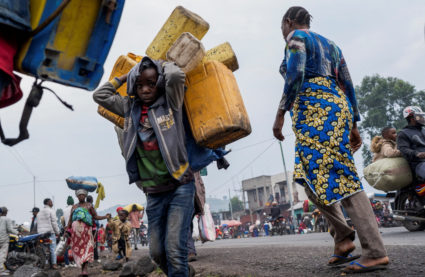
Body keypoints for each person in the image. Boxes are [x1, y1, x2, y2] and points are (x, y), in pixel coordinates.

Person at [273, 6, 389, 273]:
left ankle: (374, 250)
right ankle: (343, 238)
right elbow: (347, 83)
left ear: (288, 22)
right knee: (306, 175)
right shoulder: (332, 45)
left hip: (317, 111)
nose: (282, 33)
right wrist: (353, 122)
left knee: (342, 174)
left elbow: (295, 74)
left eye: (282, 27)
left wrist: (279, 114)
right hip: (332, 109)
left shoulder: (297, 38)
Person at [93, 56, 195, 276]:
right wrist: (126, 76)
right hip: (154, 193)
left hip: (180, 186)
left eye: (151, 83)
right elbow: (99, 95)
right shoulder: (129, 108)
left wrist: (162, 64)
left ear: (159, 82)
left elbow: (176, 75)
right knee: (157, 253)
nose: (145, 89)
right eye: (139, 85)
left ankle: (181, 271)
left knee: (175, 250)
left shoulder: (171, 102)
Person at [66, 189, 109, 277]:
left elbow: (95, 216)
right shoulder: (74, 207)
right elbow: (70, 220)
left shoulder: (89, 206)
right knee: (79, 251)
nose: (81, 196)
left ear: (85, 196)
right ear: (77, 197)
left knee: (87, 249)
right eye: (79, 195)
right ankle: (82, 269)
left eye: (83, 195)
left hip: (87, 233)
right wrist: (67, 230)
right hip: (76, 235)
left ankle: (85, 269)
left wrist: (105, 216)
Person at [397, 106, 425, 180]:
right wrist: (417, 154)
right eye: (420, 117)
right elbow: (403, 149)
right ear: (412, 119)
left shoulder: (423, 130)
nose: (423, 118)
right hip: (419, 164)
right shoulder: (403, 133)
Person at [37, 198, 60, 269]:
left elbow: (38, 223)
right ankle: (54, 264)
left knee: (43, 249)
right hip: (50, 233)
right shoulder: (51, 211)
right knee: (53, 249)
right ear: (48, 203)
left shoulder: (39, 212)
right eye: (51, 202)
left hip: (41, 234)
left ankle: (44, 264)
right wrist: (58, 232)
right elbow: (54, 223)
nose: (52, 203)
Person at [0, 207, 18, 276]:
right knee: (2, 255)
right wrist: (17, 233)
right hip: (3, 239)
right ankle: (1, 270)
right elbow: (10, 229)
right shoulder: (7, 219)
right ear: (6, 212)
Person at [86, 195, 100, 263]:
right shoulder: (92, 207)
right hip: (93, 227)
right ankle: (95, 257)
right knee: (94, 243)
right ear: (91, 200)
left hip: (87, 228)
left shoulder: (84, 207)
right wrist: (98, 226)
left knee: (88, 243)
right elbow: (95, 217)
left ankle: (88, 257)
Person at [62, 196, 74, 267]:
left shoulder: (64, 210)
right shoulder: (74, 208)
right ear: (72, 202)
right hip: (73, 227)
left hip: (67, 229)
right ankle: (74, 261)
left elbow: (63, 220)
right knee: (74, 245)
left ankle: (67, 263)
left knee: (66, 246)